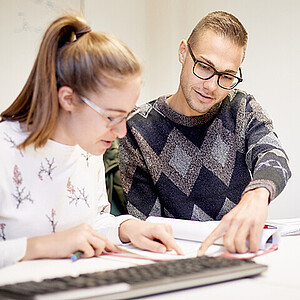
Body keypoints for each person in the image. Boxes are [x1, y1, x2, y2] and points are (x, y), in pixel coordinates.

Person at [0, 13, 182, 268]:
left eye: (127, 115)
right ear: (68, 99)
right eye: (112, 117)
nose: (121, 133)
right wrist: (43, 246)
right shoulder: (5, 151)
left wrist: (128, 228)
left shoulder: (88, 147)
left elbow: (92, 222)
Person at [119, 11, 291, 254]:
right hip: (179, 258)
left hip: (240, 253)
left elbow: (275, 158)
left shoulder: (241, 107)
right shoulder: (138, 129)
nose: (211, 86)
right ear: (183, 52)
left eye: (227, 76)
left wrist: (258, 194)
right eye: (204, 67)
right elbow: (147, 226)